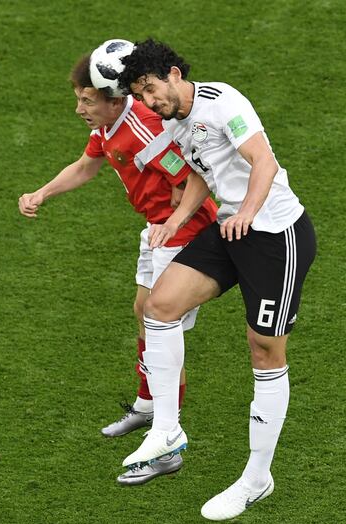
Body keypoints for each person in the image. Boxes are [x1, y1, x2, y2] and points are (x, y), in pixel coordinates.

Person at [116, 38, 316, 518]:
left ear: (174, 74)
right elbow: (202, 173)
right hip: (229, 228)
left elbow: (263, 161)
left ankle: (256, 478)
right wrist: (177, 218)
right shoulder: (175, 121)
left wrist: (247, 212)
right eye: (140, 96)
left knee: (264, 350)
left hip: (275, 235)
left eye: (150, 89)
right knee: (160, 306)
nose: (149, 102)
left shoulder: (223, 101)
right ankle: (166, 429)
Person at [18, 50, 218, 486]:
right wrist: (42, 193)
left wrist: (173, 224)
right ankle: (149, 405)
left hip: (180, 233)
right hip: (156, 229)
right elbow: (87, 166)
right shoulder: (110, 126)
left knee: (163, 329)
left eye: (88, 100)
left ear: (114, 98)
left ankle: (168, 432)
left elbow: (190, 182)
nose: (79, 109)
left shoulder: (146, 130)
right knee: (141, 312)